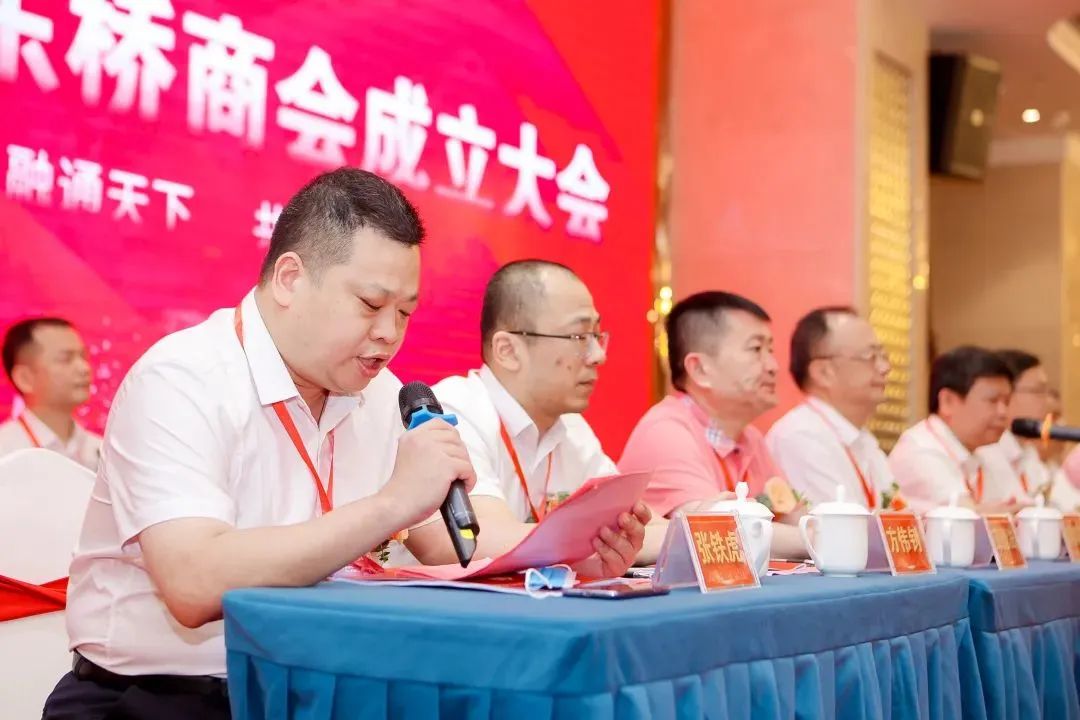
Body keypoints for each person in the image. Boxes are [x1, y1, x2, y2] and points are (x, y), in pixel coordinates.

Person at [44, 169, 644, 719]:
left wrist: (569, 558)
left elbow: (453, 546)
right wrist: (390, 504)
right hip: (161, 699)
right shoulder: (181, 378)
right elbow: (194, 583)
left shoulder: (382, 397)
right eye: (371, 305)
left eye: (405, 313)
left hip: (317, 692)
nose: (389, 334)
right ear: (290, 279)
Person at [426, 260, 656, 567]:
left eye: (597, 335)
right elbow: (478, 538)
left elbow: (638, 528)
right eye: (579, 337)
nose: (598, 355)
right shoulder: (453, 410)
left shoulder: (572, 429)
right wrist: (592, 545)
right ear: (508, 350)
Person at [618, 291, 808, 559]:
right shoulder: (666, 432)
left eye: (770, 350)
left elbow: (792, 518)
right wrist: (821, 539)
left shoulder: (750, 437)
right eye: (756, 349)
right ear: (699, 369)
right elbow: (716, 533)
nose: (773, 366)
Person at [766, 307, 894, 508]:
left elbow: (897, 514)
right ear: (823, 372)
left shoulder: (863, 439)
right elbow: (837, 524)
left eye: (883, 355)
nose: (885, 368)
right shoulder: (800, 436)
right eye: (869, 356)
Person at [888, 346, 1020, 514]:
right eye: (992, 401)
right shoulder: (919, 449)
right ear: (947, 401)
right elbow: (960, 519)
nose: (1003, 412)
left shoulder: (988, 452)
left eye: (1006, 402)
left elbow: (1019, 507)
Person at [0, 317, 100, 470]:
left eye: (83, 357)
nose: (84, 368)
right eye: (65, 359)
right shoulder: (5, 451)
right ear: (25, 378)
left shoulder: (103, 452)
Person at [975, 350, 1051, 504]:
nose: (1047, 401)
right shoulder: (986, 451)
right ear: (1007, 393)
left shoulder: (1028, 452)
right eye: (1038, 391)